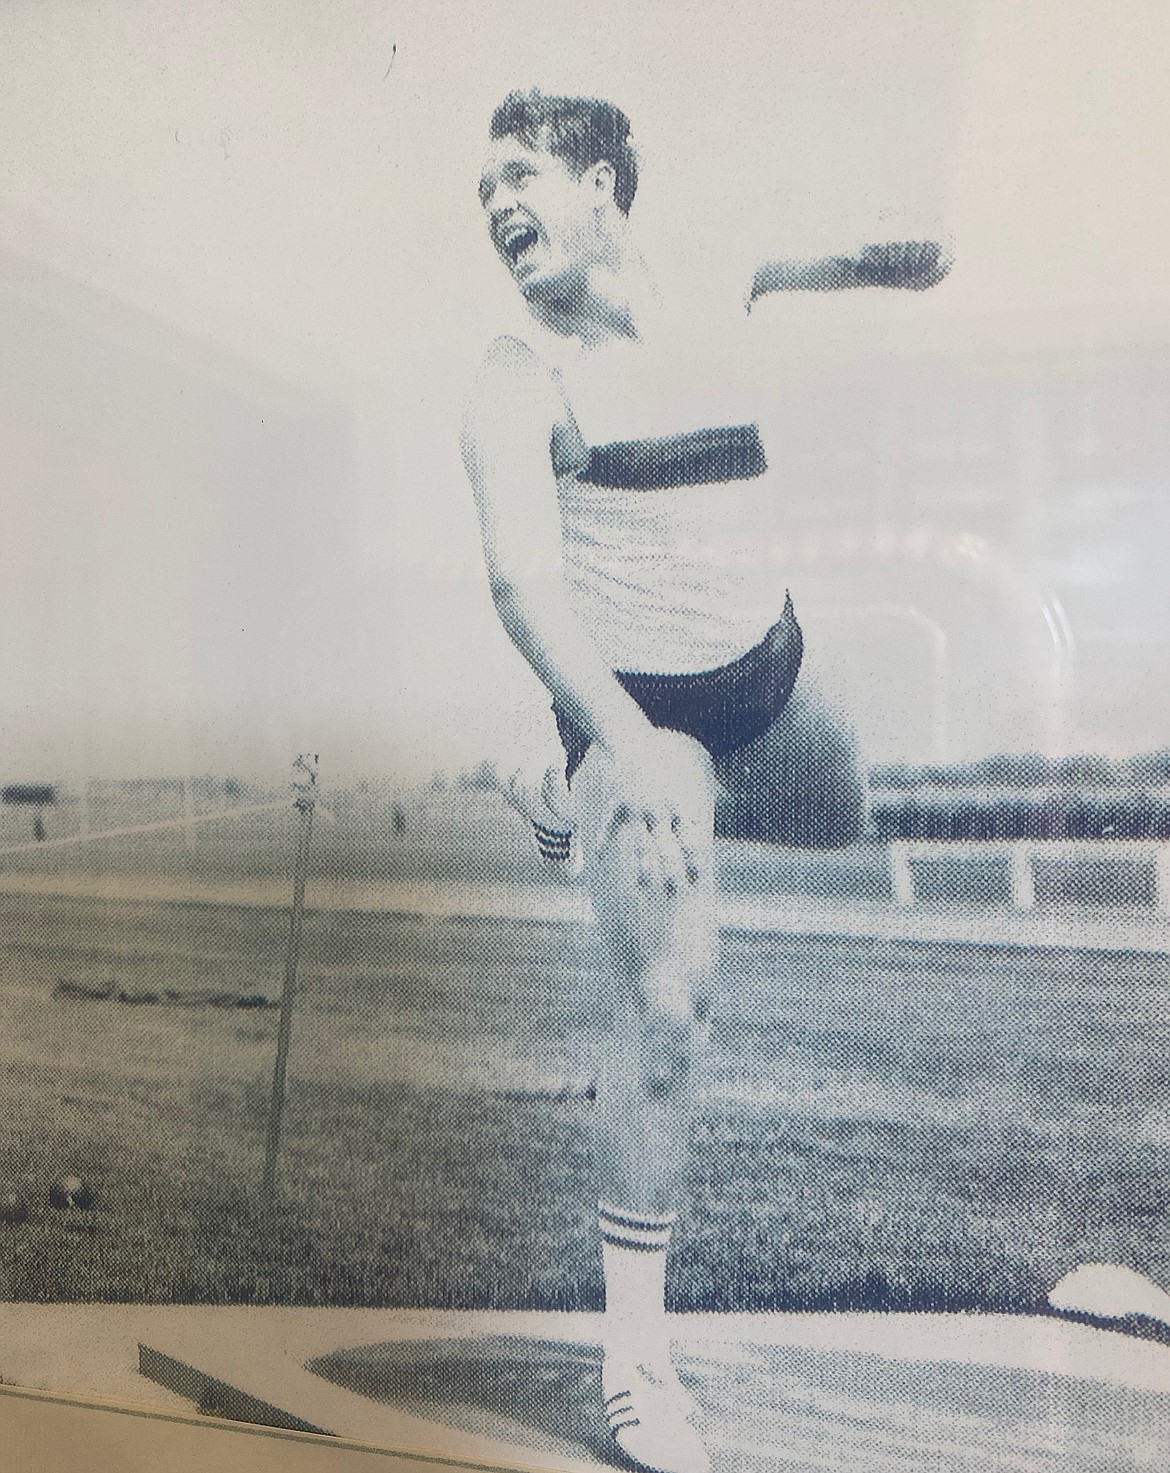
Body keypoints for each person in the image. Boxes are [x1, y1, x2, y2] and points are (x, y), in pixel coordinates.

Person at [461, 89, 949, 1473]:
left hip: (774, 670)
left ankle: (564, 816)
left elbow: (870, 251)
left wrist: (903, 255)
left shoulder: (718, 265)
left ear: (605, 184)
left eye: (520, 174)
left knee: (843, 818)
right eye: (479, 190)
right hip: (642, 711)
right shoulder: (515, 378)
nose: (496, 205)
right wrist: (618, 749)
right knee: (669, 1006)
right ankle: (635, 1361)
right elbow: (518, 583)